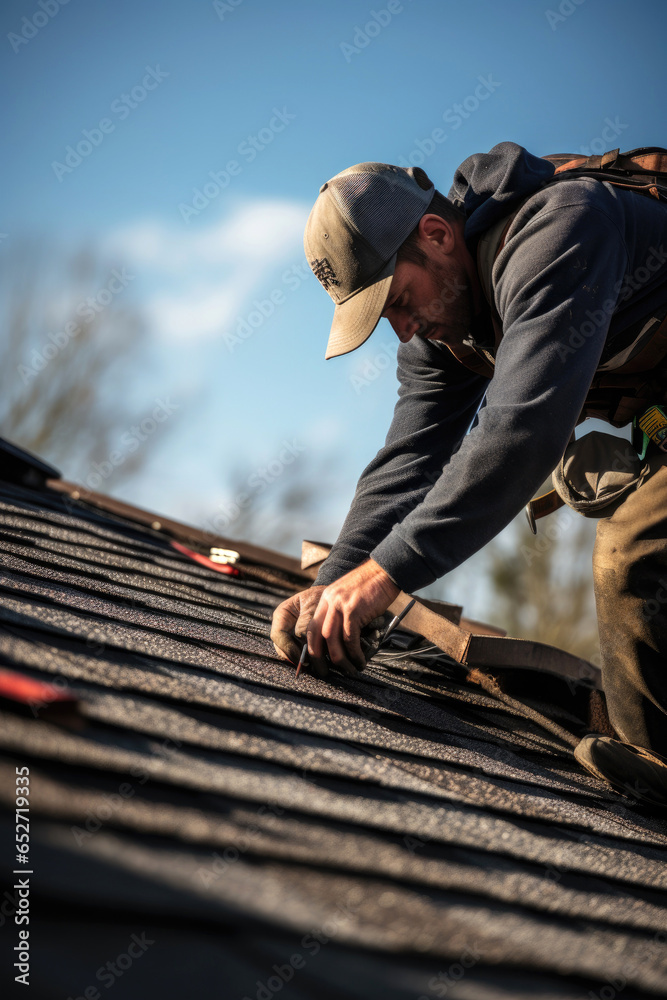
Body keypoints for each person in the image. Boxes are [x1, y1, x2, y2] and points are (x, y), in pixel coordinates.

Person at [270, 142, 667, 804]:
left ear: (434, 235)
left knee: (634, 554)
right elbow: (409, 461)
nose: (401, 331)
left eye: (397, 301)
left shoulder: (560, 229)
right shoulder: (442, 330)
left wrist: (383, 578)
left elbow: (517, 433)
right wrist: (333, 585)